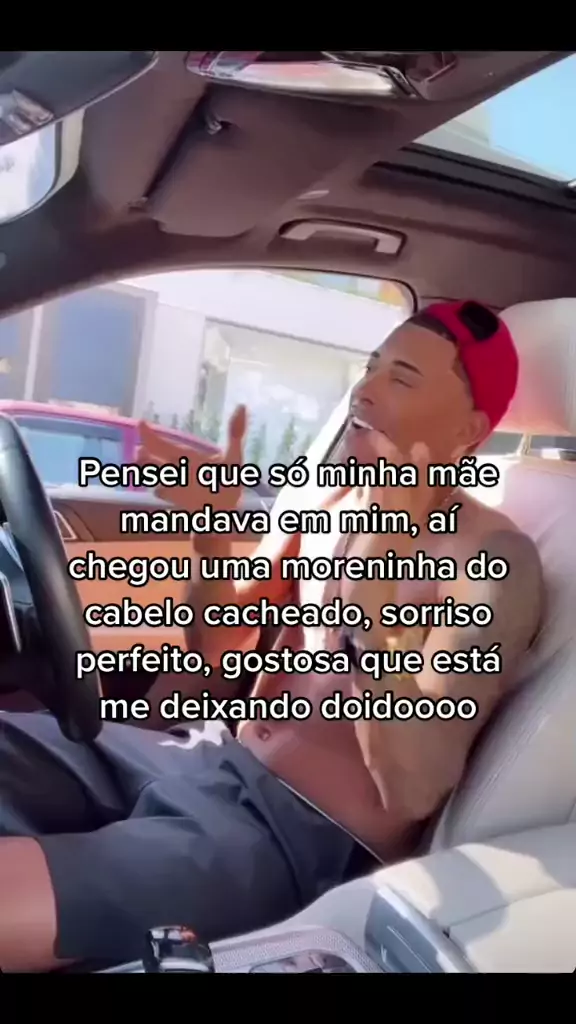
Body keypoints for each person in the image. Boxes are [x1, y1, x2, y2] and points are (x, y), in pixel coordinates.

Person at [0, 300, 543, 972]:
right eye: (371, 368)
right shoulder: (335, 506)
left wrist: (371, 609)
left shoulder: (492, 560)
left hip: (290, 840)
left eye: (402, 378)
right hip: (210, 759)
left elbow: (413, 786)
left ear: (469, 431)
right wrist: (212, 536)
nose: (365, 390)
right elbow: (215, 650)